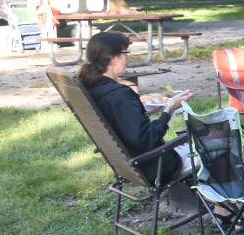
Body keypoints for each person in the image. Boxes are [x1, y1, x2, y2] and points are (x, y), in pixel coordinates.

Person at [78, 31, 193, 185]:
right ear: (114, 59)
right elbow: (148, 140)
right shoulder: (119, 95)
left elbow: (124, 121)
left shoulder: (92, 87)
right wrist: (169, 109)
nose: (128, 57)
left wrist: (144, 109)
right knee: (217, 144)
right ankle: (221, 208)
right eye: (126, 52)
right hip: (157, 167)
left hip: (129, 165)